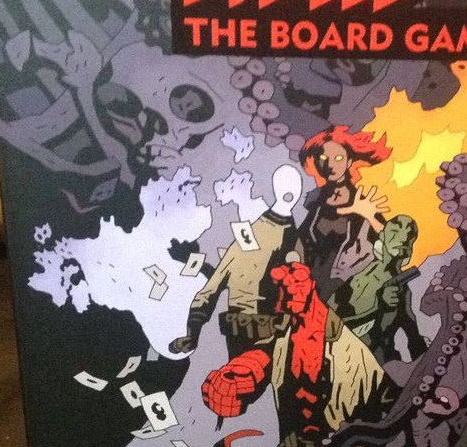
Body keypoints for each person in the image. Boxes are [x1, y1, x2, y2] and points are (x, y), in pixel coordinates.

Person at [200, 262, 396, 447]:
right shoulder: (291, 330)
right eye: (284, 294)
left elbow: (376, 396)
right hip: (298, 441)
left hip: (342, 428)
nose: (284, 303)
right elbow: (268, 353)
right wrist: (241, 373)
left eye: (292, 294)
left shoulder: (342, 344)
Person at [169, 165, 304, 359]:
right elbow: (212, 287)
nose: (289, 190)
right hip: (241, 332)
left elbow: (299, 296)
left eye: (293, 186)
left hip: (273, 337)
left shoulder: (293, 242)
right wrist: (193, 332)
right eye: (284, 184)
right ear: (275, 187)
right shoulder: (249, 237)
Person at [298, 126, 391, 300]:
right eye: (323, 158)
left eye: (339, 158)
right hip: (309, 284)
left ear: (349, 162)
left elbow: (390, 242)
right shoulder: (314, 201)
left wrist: (370, 218)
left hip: (346, 291)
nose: (331, 165)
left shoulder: (361, 202)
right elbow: (301, 237)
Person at [329, 215, 427, 363]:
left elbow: (413, 336)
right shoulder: (364, 272)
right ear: (382, 235)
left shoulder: (399, 291)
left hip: (367, 360)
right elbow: (332, 309)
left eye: (409, 234)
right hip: (336, 349)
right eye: (395, 230)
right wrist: (379, 306)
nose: (403, 237)